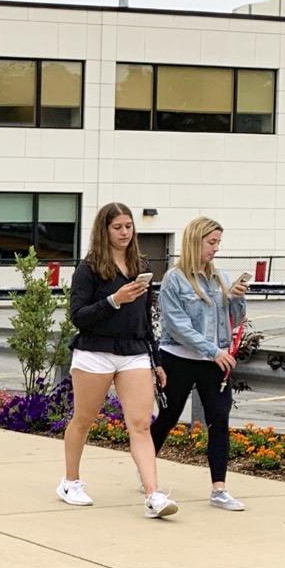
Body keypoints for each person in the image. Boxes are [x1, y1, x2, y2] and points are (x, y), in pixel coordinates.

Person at [57, 202, 177, 519]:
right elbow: (78, 317)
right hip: (94, 352)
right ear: (104, 230)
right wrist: (113, 300)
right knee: (83, 420)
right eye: (117, 227)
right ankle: (70, 482)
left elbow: (146, 319)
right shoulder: (88, 269)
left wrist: (157, 359)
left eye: (128, 226)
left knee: (140, 424)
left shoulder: (140, 266)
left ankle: (153, 495)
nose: (125, 232)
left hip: (135, 352)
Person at [150, 217, 250, 512]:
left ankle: (219, 488)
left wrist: (236, 299)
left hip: (213, 361)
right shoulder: (174, 279)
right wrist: (211, 350)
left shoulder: (220, 278)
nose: (216, 249)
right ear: (195, 242)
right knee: (168, 417)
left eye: (218, 242)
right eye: (211, 242)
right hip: (178, 357)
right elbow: (177, 325)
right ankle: (147, 470)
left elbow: (234, 320)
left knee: (219, 420)